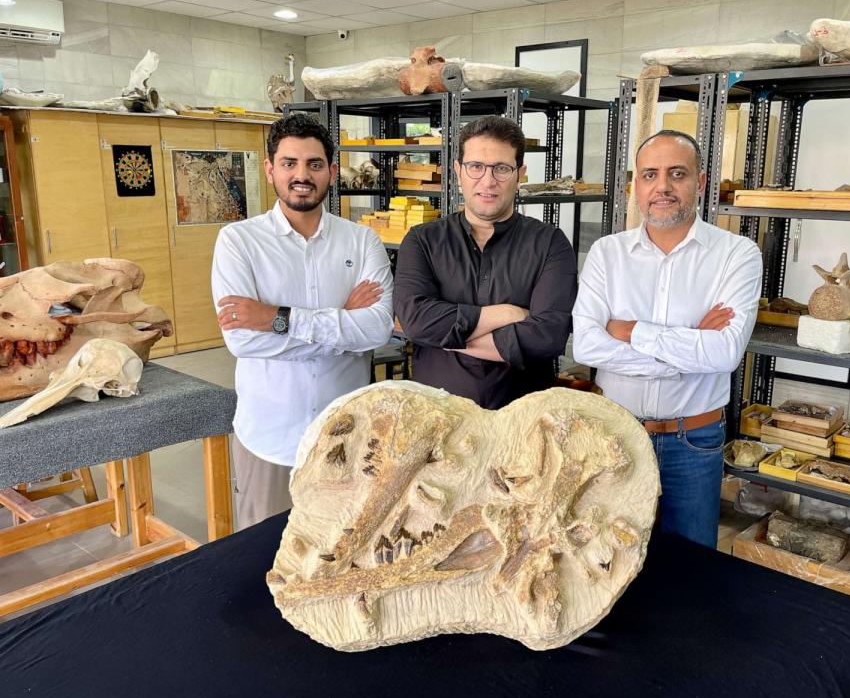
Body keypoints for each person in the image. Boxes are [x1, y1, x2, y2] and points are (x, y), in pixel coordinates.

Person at [572, 129, 762, 548]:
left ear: (701, 182)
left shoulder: (737, 254)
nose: (662, 187)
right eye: (649, 175)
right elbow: (585, 344)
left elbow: (726, 352)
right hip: (615, 431)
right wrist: (689, 345)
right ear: (635, 184)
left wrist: (630, 331)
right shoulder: (607, 253)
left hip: (692, 441)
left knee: (690, 567)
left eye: (677, 174)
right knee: (606, 556)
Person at [211, 113, 394, 530]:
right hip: (271, 438)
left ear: (331, 171)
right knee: (263, 558)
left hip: (345, 438)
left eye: (314, 164)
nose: (302, 175)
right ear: (270, 169)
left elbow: (377, 329)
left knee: (340, 551)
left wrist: (278, 319)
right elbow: (242, 341)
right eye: (290, 163)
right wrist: (342, 323)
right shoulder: (239, 242)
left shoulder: (361, 240)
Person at [393, 116, 577, 409]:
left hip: (525, 426)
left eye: (502, 169)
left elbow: (548, 337)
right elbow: (416, 321)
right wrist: (507, 313)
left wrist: (443, 337)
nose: (488, 181)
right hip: (438, 423)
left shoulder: (550, 243)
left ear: (520, 175)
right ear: (458, 171)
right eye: (476, 167)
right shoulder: (422, 241)